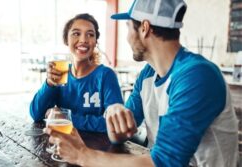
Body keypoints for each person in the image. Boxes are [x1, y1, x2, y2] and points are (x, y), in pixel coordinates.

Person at [45, 0, 239, 166]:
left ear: (144, 28)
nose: (127, 37)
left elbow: (164, 162)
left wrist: (82, 155)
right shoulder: (147, 74)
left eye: (128, 27)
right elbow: (121, 134)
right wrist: (114, 117)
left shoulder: (198, 75)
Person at [30, 13, 123, 133]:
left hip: (96, 148)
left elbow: (116, 124)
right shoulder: (61, 74)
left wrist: (68, 119)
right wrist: (49, 84)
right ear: (66, 40)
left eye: (90, 35)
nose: (83, 40)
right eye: (76, 33)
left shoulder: (105, 75)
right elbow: (36, 115)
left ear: (95, 42)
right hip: (61, 144)